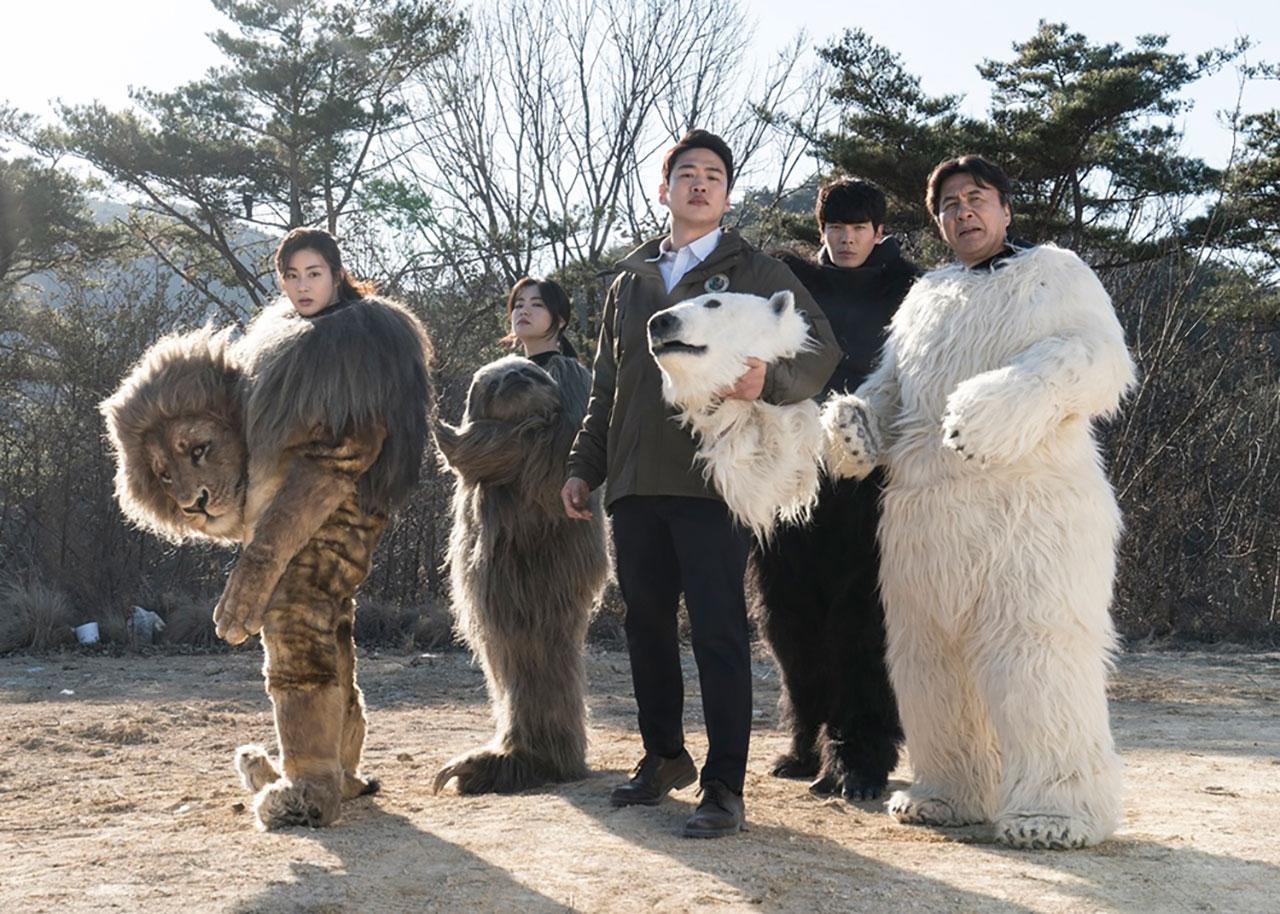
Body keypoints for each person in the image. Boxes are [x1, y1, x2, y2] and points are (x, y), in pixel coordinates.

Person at [825, 155, 1134, 848]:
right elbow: (892, 388)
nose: (963, 211)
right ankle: (955, 782)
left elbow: (1101, 361)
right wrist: (860, 423)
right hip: (925, 516)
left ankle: (1064, 798)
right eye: (948, 204)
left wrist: (1023, 392)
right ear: (936, 221)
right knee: (929, 656)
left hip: (1032, 510)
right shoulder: (926, 297)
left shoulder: (1055, 274)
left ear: (1005, 208)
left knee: (1036, 650)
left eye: (976, 197)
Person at [561, 129, 840, 838]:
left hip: (713, 481)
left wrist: (767, 381)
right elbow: (608, 386)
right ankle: (663, 757)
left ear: (727, 194)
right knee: (646, 626)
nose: (700, 183)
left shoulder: (754, 270)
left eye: (714, 174)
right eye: (687, 173)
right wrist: (585, 467)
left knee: (717, 632)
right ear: (665, 189)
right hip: (635, 479)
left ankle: (723, 785)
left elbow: (821, 352)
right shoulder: (632, 281)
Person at [751, 178, 920, 801]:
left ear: (880, 231)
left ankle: (861, 753)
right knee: (787, 612)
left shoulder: (911, 290)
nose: (846, 239)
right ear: (821, 230)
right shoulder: (790, 284)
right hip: (792, 469)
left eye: (858, 228)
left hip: (873, 475)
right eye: (835, 228)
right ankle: (807, 737)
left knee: (862, 617)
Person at [502, 276, 592, 410]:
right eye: (518, 305)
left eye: (537, 304)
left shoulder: (570, 375)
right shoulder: (506, 375)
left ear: (560, 321)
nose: (523, 311)